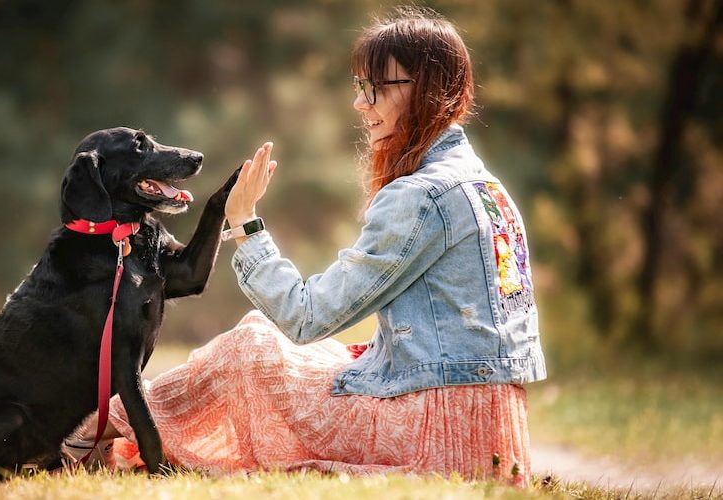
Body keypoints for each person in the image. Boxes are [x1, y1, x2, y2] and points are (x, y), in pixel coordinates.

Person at [65, 7, 546, 486]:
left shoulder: (421, 196)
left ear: (431, 91)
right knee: (298, 351)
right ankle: (113, 428)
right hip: (494, 434)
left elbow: (305, 317)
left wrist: (245, 223)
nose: (362, 104)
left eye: (378, 88)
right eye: (361, 87)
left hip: (430, 429)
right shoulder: (486, 188)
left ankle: (92, 430)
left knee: (252, 346)